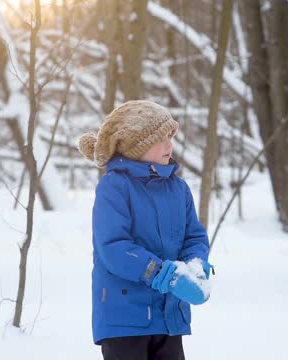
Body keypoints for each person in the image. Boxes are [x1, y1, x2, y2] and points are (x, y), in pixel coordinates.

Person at [78, 100, 213, 360]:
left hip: (169, 316)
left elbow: (194, 236)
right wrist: (166, 276)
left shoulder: (179, 188)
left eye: (171, 137)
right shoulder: (114, 187)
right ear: (136, 146)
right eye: (159, 139)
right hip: (124, 319)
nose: (169, 145)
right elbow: (113, 248)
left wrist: (195, 266)